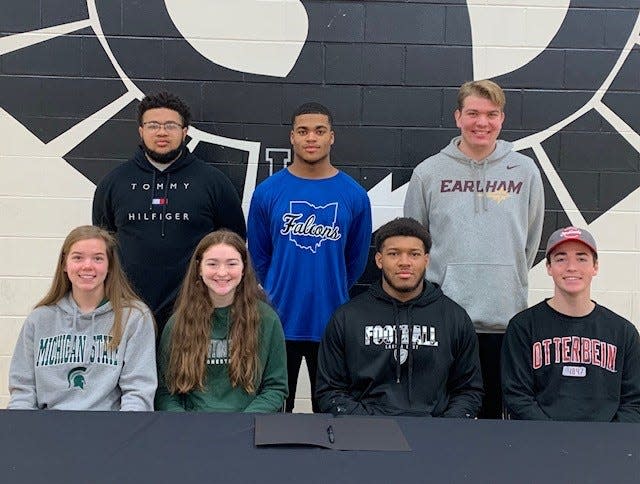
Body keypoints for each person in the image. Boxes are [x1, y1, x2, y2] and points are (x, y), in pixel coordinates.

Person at [403, 79, 544, 418]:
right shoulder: (429, 172)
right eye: (473, 113)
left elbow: (531, 239)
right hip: (443, 320)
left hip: (503, 320)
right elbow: (413, 243)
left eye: (491, 114)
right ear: (458, 117)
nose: (482, 122)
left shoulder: (524, 171)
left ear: (502, 119)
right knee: (443, 417)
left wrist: (507, 275)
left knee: (494, 419)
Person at [247, 102, 372, 412]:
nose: (311, 138)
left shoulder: (353, 194)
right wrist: (275, 289)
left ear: (332, 137)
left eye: (319, 131)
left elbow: (356, 260)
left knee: (331, 414)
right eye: (303, 131)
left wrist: (331, 286)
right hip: (277, 321)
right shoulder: (267, 191)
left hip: (331, 322)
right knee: (274, 413)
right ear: (292, 137)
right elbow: (259, 256)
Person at [92, 91, 246, 334]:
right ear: (140, 130)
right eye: (153, 125)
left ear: (185, 131)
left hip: (195, 310)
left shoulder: (214, 183)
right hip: (128, 309)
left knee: (185, 373)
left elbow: (234, 243)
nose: (162, 132)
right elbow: (102, 246)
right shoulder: (113, 184)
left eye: (170, 125)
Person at [316, 217, 483, 417]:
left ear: (426, 260)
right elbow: (330, 390)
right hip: (365, 434)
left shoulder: (454, 318)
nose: (404, 262)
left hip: (436, 435)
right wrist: (365, 425)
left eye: (414, 254)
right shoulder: (347, 317)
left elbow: (469, 391)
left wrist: (444, 427)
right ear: (379, 260)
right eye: (394, 254)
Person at [8, 225, 157, 410]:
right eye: (78, 257)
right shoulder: (39, 319)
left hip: (109, 431)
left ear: (109, 265)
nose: (87, 265)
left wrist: (124, 435)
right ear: (64, 264)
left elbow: (138, 392)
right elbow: (23, 391)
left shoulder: (134, 318)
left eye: (98, 258)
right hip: (46, 430)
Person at [501, 226, 640, 422]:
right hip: (542, 443)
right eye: (561, 258)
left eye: (581, 258)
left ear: (595, 266)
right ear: (549, 267)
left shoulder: (623, 332)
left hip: (605, 447)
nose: (571, 267)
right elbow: (517, 396)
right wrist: (555, 437)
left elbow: (633, 402)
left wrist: (606, 440)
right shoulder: (523, 327)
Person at [155, 230, 288, 412]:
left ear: (243, 268)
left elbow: (276, 388)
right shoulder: (178, 324)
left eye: (232, 263)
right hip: (192, 430)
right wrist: (186, 426)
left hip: (248, 426)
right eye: (212, 264)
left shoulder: (267, 320)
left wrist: (242, 424)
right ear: (199, 268)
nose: (222, 272)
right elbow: (166, 393)